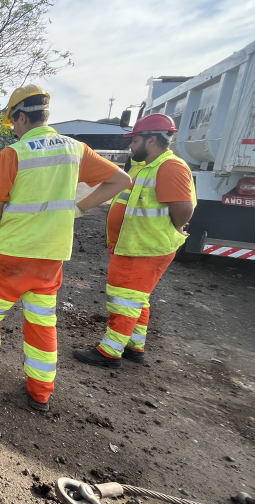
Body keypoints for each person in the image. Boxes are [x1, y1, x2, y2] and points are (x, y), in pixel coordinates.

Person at [0, 85, 131, 411]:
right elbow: (120, 181)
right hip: (50, 257)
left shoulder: (14, 154)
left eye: (13, 123)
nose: (14, 129)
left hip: (8, 255)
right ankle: (40, 393)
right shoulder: (76, 150)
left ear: (20, 115)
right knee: (42, 323)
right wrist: (78, 208)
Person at [73, 114, 195, 368]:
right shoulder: (144, 166)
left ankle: (109, 351)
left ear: (151, 140)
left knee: (124, 298)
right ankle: (133, 346)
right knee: (137, 298)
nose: (131, 145)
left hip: (144, 247)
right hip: (134, 244)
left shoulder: (170, 167)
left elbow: (183, 208)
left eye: (135, 140)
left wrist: (172, 227)